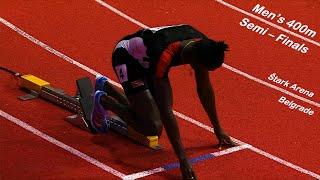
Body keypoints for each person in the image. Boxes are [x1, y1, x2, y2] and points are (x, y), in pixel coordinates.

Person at [90, 24, 236, 179]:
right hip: (128, 59)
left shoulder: (203, 47)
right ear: (194, 58)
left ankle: (107, 87)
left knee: (151, 114)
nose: (202, 71)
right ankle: (102, 99)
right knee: (152, 127)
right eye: (202, 67)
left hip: (148, 60)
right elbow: (167, 111)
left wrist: (218, 129)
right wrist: (182, 159)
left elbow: (204, 90)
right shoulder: (165, 55)